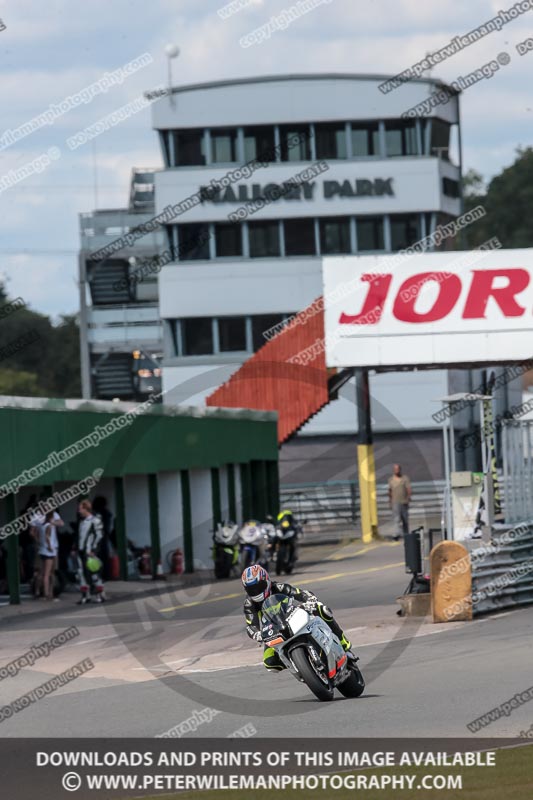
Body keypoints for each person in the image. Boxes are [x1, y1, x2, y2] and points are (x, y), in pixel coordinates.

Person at [242, 565, 353, 671]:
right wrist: (257, 634)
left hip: (292, 617)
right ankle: (298, 665)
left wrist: (309, 599)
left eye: (259, 587)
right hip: (274, 630)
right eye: (251, 589)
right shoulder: (249, 604)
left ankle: (344, 645)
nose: (256, 591)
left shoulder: (278, 587)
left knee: (321, 609)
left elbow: (299, 593)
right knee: (270, 662)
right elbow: (251, 626)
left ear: (267, 581)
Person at [77, 499, 105, 604]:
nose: (79, 511)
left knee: (94, 573)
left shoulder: (95, 521)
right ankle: (85, 596)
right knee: (81, 573)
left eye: (80, 509)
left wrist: (94, 549)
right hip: (81, 551)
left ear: (86, 509)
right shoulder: (82, 522)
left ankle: (99, 595)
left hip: (90, 552)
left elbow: (99, 536)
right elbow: (80, 537)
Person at [388, 463, 412, 541]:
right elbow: (390, 491)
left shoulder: (405, 479)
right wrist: (390, 501)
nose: (396, 471)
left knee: (405, 519)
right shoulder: (391, 480)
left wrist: (408, 498)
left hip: (404, 501)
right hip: (395, 502)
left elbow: (408, 489)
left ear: (400, 470)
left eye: (397, 469)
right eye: (395, 469)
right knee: (396, 519)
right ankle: (396, 534)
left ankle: (406, 534)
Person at [37, 511, 58, 600]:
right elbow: (47, 536)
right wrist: (50, 546)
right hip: (49, 551)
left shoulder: (42, 525)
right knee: (49, 573)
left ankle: (38, 591)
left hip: (42, 550)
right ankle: (48, 593)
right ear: (51, 518)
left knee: (42, 573)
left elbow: (38, 536)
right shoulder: (49, 526)